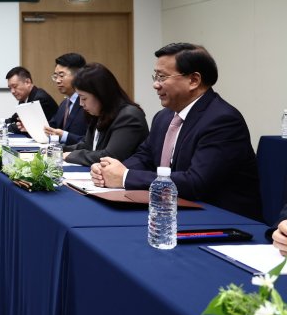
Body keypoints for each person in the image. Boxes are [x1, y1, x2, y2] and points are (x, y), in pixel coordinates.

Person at [90, 43, 262, 220]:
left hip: (222, 219)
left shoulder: (222, 120)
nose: (155, 85)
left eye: (162, 77)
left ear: (194, 80)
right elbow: (145, 157)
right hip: (173, 211)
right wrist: (110, 170)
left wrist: (125, 177)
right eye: (155, 76)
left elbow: (196, 182)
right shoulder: (163, 117)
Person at [62, 63, 149, 167]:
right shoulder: (99, 113)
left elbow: (111, 156)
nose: (81, 103)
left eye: (84, 98)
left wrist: (71, 156)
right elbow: (87, 145)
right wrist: (59, 150)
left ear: (101, 94)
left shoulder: (129, 116)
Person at [0, 66, 58, 132]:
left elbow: (27, 125)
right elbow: (14, 119)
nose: (12, 91)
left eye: (15, 86)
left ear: (27, 82)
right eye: (10, 88)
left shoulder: (40, 99)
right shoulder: (24, 98)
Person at [44, 52, 89, 145]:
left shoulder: (88, 104)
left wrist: (64, 136)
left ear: (77, 75)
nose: (57, 80)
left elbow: (90, 142)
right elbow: (51, 127)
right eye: (55, 76)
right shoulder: (65, 103)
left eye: (61, 76)